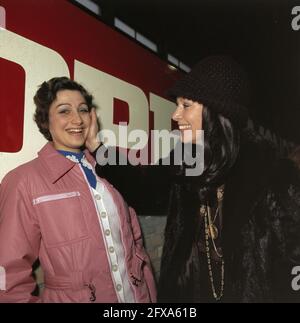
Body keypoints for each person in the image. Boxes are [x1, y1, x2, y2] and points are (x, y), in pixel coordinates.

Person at [89, 56, 300, 302]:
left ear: (217, 110)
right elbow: (144, 190)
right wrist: (97, 147)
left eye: (186, 105)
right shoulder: (183, 159)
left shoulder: (271, 175)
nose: (176, 114)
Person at [0, 77, 156, 303]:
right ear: (45, 121)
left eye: (83, 110)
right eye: (64, 111)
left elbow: (136, 242)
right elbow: (8, 274)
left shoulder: (110, 168)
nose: (77, 119)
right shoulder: (23, 181)